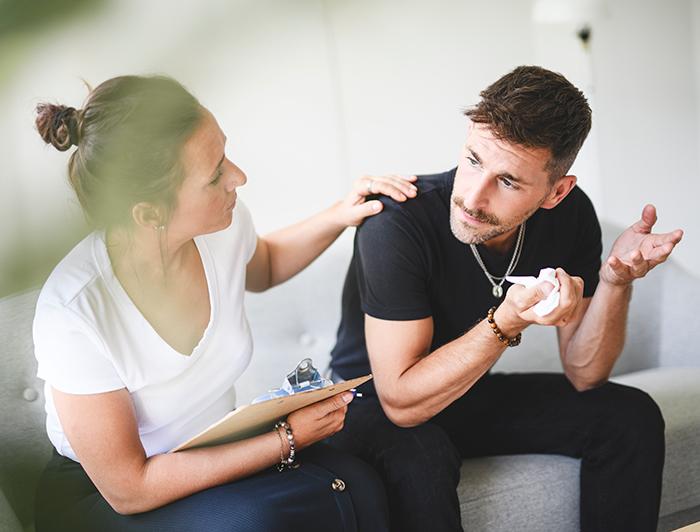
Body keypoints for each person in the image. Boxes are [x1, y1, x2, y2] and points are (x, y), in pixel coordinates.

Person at [32, 75, 418, 532]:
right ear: (149, 213)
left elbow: (267, 265)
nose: (238, 177)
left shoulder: (220, 228)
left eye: (225, 154)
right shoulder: (74, 312)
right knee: (262, 521)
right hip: (105, 498)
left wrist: (341, 214)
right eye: (215, 174)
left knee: (358, 483)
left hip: (210, 454)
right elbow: (129, 488)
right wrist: (287, 438)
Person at [328, 65, 683, 532]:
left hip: (463, 394)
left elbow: (585, 374)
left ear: (557, 191)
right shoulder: (397, 224)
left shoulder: (571, 217)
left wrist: (615, 281)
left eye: (509, 181)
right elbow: (400, 402)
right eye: (474, 160)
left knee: (628, 415)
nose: (473, 198)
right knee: (422, 454)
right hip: (362, 406)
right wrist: (508, 320)